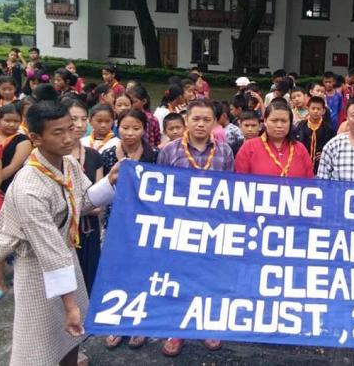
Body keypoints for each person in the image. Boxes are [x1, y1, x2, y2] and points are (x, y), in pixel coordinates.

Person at [0, 100, 118, 365]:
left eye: (70, 128)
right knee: (37, 345)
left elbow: (83, 202)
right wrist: (70, 304)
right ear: (35, 138)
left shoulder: (68, 163)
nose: (68, 138)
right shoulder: (29, 187)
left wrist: (110, 180)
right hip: (37, 269)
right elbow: (49, 251)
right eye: (58, 132)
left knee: (71, 338)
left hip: (66, 259)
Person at [157, 100, 234, 357]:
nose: (201, 124)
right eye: (195, 119)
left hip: (213, 226)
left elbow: (231, 190)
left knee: (208, 277)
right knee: (179, 277)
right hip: (179, 225)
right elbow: (161, 188)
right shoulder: (169, 151)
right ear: (186, 121)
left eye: (206, 120)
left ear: (215, 122)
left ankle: (204, 324)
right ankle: (177, 329)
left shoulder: (224, 151)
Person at [102, 109, 158, 351]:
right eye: (125, 127)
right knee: (117, 271)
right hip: (116, 222)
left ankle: (139, 322)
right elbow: (99, 190)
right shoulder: (107, 155)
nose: (130, 133)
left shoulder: (154, 156)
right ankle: (117, 321)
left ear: (144, 129)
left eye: (136, 128)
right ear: (117, 127)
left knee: (143, 272)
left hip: (146, 223)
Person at [63, 98, 104, 295]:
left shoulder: (93, 155)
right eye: (73, 119)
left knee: (89, 281)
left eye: (83, 119)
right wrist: (85, 204)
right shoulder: (54, 156)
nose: (79, 125)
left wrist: (79, 205)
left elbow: (99, 202)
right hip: (63, 230)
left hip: (88, 230)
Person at [235, 100, 314, 178]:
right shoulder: (249, 147)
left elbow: (310, 181)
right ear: (265, 121)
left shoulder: (300, 149)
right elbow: (239, 181)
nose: (279, 125)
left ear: (290, 123)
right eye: (274, 121)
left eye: (284, 121)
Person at [297, 96, 336, 174]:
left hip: (321, 164)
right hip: (303, 161)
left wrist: (325, 154)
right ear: (308, 109)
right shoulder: (301, 125)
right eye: (313, 108)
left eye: (318, 109)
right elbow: (297, 143)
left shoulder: (328, 128)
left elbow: (333, 147)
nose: (315, 111)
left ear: (323, 111)